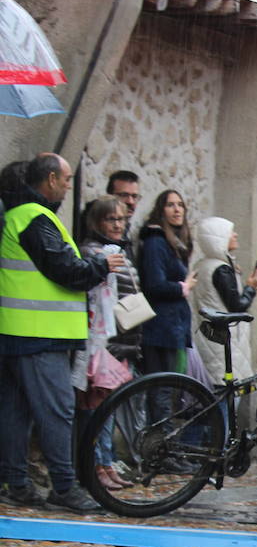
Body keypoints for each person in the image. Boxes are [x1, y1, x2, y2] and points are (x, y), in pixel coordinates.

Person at [0, 153, 118, 512]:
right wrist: (100, 265)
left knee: (15, 412)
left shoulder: (18, 215)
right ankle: (64, 487)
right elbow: (65, 269)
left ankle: (16, 483)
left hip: (17, 332)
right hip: (39, 334)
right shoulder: (35, 218)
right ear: (50, 179)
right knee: (57, 410)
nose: (69, 185)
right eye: (67, 179)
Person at [77, 195, 143, 490]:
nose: (118, 225)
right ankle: (96, 466)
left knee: (109, 409)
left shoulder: (118, 251)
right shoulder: (95, 253)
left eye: (121, 219)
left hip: (123, 340)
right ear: (97, 222)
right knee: (97, 410)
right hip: (106, 341)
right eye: (111, 219)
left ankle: (106, 463)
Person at [190, 217, 257, 432]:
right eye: (231, 232)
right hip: (223, 340)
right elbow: (237, 306)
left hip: (208, 335)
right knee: (224, 398)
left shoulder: (202, 265)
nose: (235, 235)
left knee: (210, 398)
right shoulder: (221, 269)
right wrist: (252, 286)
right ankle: (216, 450)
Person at [138, 190, 196, 379]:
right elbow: (155, 285)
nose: (177, 210)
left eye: (180, 205)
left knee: (173, 388)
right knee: (163, 388)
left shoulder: (175, 243)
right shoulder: (156, 242)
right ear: (161, 210)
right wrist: (183, 287)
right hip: (160, 329)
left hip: (173, 327)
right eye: (170, 205)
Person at [106, 170, 140, 245]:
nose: (130, 202)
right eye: (124, 195)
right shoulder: (103, 232)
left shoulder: (126, 229)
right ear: (110, 196)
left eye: (134, 196)